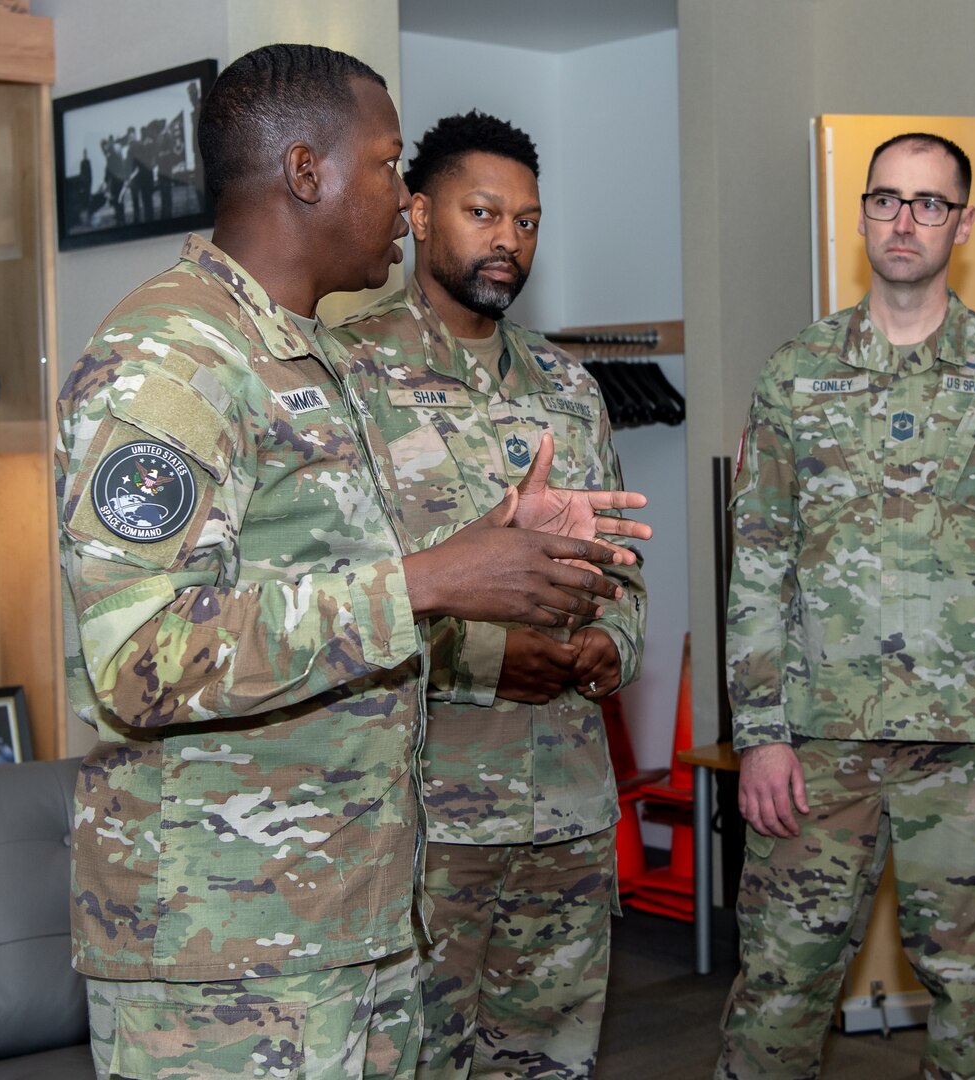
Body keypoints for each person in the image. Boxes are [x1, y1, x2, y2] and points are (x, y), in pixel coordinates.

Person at [57, 45, 639, 1080]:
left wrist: (498, 535)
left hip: (344, 917)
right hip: (222, 944)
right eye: (384, 167)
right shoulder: (173, 356)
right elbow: (139, 656)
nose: (398, 196)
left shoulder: (299, 356)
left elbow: (315, 570)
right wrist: (431, 583)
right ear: (304, 170)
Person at [717, 132, 975, 1079]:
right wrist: (758, 731)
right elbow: (757, 564)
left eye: (931, 204)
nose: (905, 221)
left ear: (963, 224)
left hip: (974, 757)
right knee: (777, 996)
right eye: (887, 199)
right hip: (817, 750)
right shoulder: (795, 372)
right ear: (861, 214)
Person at [335, 110, 646, 1079]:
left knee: (552, 1058)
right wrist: (486, 656)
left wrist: (612, 648)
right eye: (483, 212)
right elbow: (336, 593)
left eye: (528, 221)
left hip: (566, 802)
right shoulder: (344, 372)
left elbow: (622, 562)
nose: (509, 238)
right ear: (420, 214)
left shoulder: (567, 385)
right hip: (426, 815)